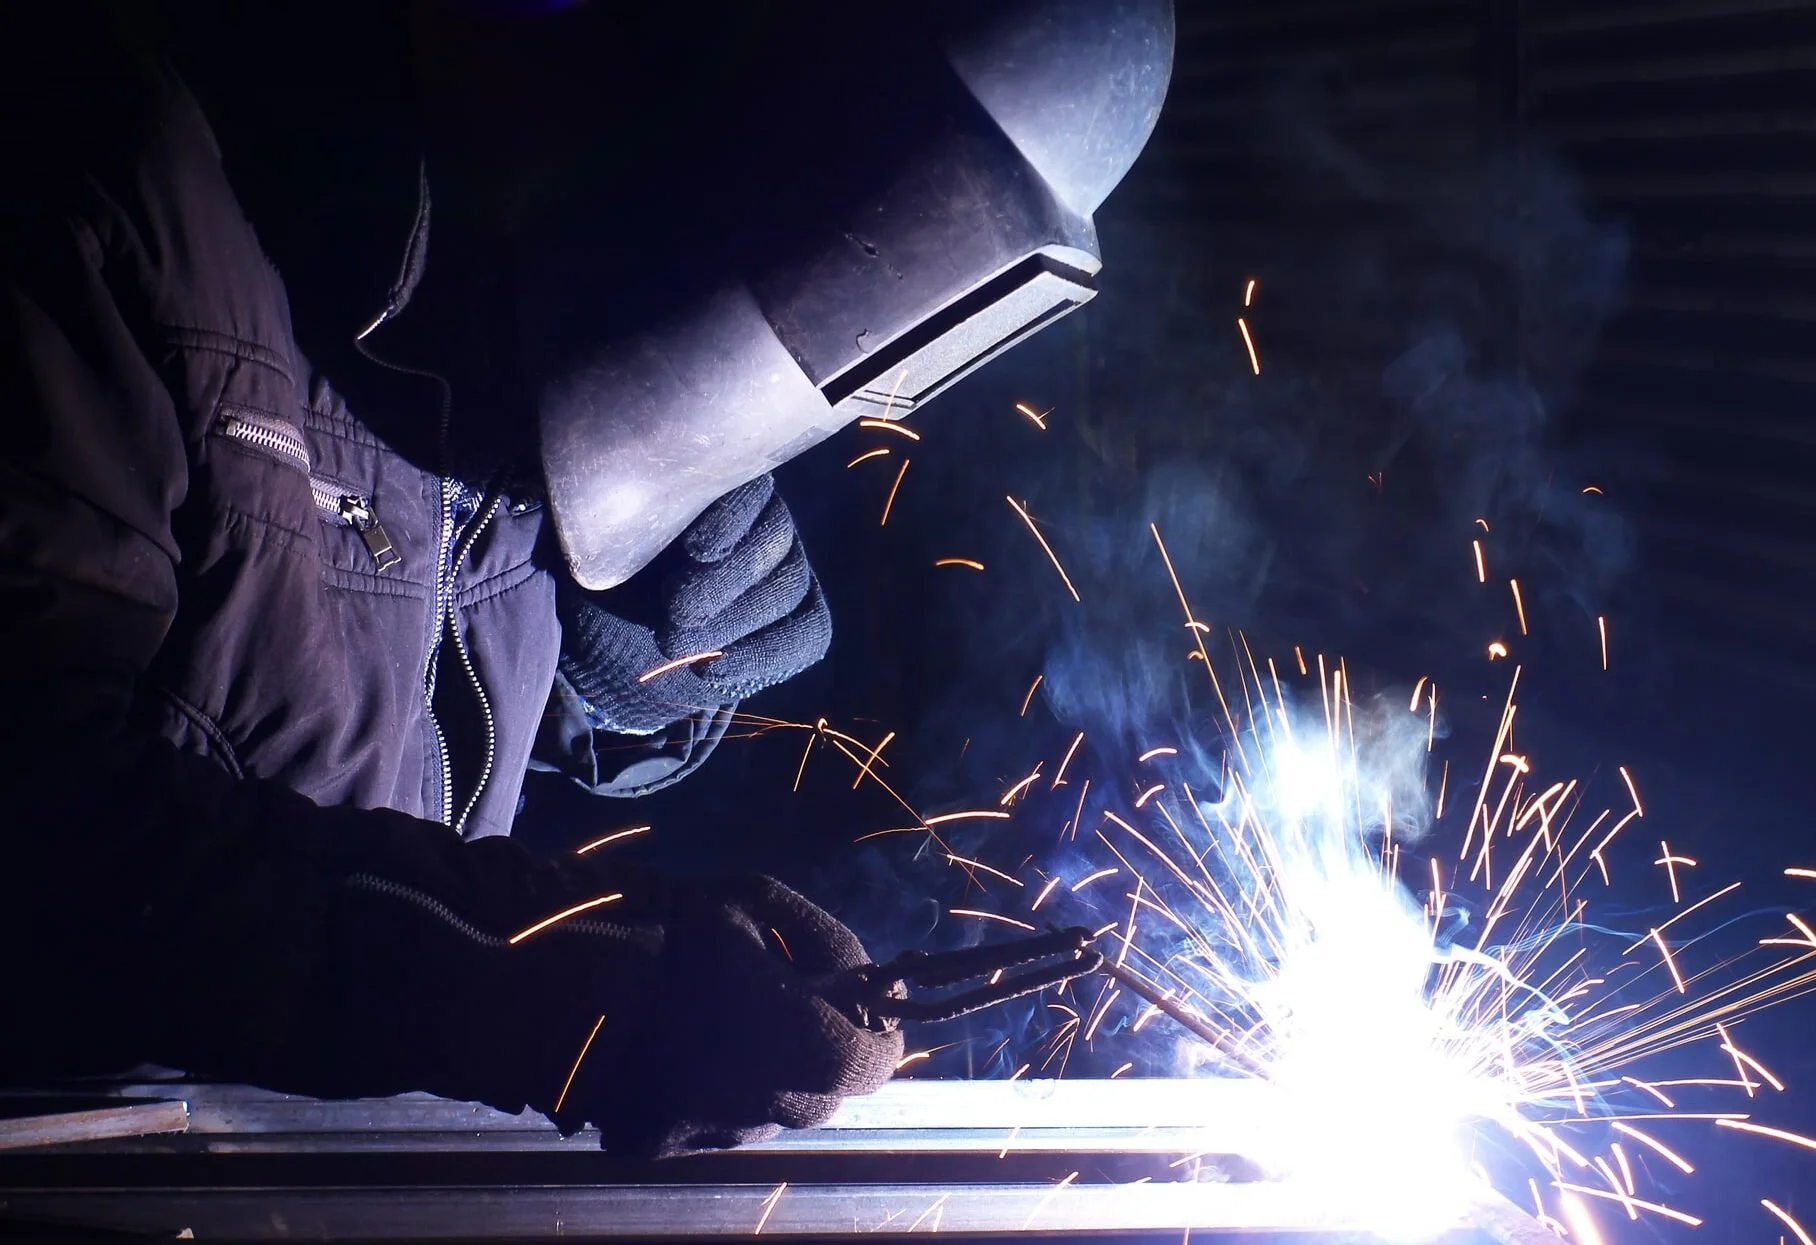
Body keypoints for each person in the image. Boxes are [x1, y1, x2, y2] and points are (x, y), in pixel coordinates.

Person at [0, 0, 1171, 1155]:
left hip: (326, 1156)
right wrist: (562, 984)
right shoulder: (96, 164)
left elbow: (341, 691)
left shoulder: (509, 284)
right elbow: (43, 831)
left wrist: (613, 683)